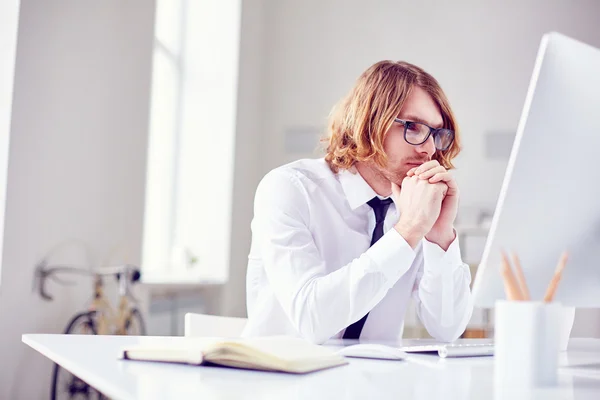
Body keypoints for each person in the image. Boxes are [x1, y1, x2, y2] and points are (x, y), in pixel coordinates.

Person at [242, 60, 474, 344]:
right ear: (368, 121)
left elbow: (447, 329)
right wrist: (408, 232)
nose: (428, 148)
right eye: (413, 126)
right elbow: (311, 319)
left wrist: (439, 236)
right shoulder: (289, 189)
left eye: (437, 134)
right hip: (284, 378)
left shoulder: (417, 208)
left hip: (371, 384)